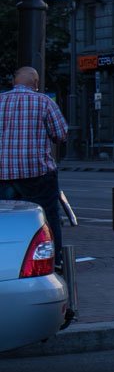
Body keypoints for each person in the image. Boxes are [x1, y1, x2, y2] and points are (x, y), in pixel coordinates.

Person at [0, 66, 69, 267]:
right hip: (36, 173)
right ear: (36, 84)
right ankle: (55, 261)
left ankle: (7, 261)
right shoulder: (45, 102)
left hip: (3, 174)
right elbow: (61, 134)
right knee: (47, 216)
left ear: (14, 82)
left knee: (5, 220)